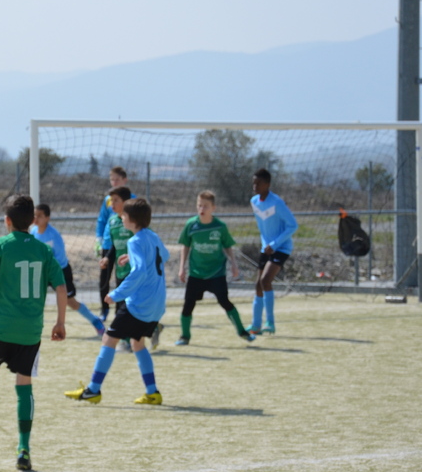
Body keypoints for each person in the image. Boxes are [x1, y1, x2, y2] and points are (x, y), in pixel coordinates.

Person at [0, 195, 68, 472]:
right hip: (30, 332)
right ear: (32, 221)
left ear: (6, 221)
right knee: (24, 387)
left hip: (1, 327)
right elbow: (61, 288)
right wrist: (60, 323)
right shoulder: (43, 251)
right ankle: (23, 449)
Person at [66, 198, 169, 406]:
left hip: (139, 304)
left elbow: (139, 272)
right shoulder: (153, 236)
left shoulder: (134, 241)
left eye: (124, 215)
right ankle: (152, 392)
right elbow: (163, 256)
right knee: (137, 343)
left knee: (109, 339)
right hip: (157, 304)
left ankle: (93, 390)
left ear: (132, 220)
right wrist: (133, 258)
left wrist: (117, 294)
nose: (121, 218)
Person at [176, 191, 256, 346]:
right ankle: (184, 336)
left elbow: (228, 246)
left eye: (206, 206)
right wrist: (182, 268)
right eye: (199, 205)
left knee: (225, 301)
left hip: (216, 273)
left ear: (213, 208)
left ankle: (242, 331)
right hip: (196, 273)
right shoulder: (191, 225)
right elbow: (185, 246)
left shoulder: (220, 227)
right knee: (188, 304)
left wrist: (234, 264)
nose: (202, 209)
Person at [30, 203, 105, 337]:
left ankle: (95, 321)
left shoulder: (54, 235)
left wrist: (47, 268)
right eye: (34, 215)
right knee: (33, 297)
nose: (36, 218)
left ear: (47, 218)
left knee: (71, 302)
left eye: (40, 216)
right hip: (42, 272)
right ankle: (29, 326)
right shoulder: (33, 232)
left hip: (60, 271)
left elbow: (60, 258)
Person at [248, 168, 298, 335]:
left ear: (267, 184)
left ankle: (270, 322)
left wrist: (275, 244)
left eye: (259, 183)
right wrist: (266, 245)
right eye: (254, 183)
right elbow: (264, 228)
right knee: (258, 285)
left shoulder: (277, 202)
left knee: (265, 280)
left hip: (281, 247)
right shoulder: (254, 201)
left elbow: (293, 225)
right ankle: (256, 325)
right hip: (267, 248)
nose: (255, 186)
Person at [99, 186, 145, 352]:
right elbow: (114, 245)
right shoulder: (112, 222)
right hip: (120, 270)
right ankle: (152, 329)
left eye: (116, 201)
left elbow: (143, 242)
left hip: (134, 272)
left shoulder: (134, 222)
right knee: (122, 305)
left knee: (128, 306)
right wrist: (107, 257)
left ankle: (126, 341)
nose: (112, 204)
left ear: (126, 202)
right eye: (111, 201)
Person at [95, 166, 131, 321]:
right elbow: (102, 220)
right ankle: (104, 310)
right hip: (110, 245)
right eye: (112, 179)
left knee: (124, 283)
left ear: (124, 180)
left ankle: (121, 314)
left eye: (117, 179)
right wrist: (99, 239)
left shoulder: (132, 202)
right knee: (105, 279)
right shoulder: (108, 203)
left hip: (127, 250)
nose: (114, 182)